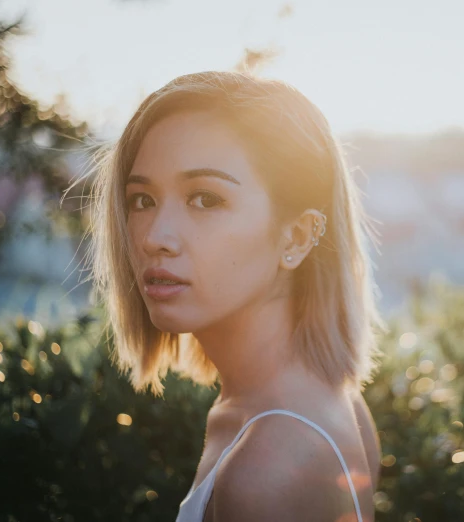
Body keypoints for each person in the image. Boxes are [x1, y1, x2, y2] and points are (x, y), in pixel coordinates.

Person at [85, 70, 389, 521]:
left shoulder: (267, 471)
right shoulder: (325, 401)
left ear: (297, 236)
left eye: (205, 199)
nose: (155, 237)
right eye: (142, 200)